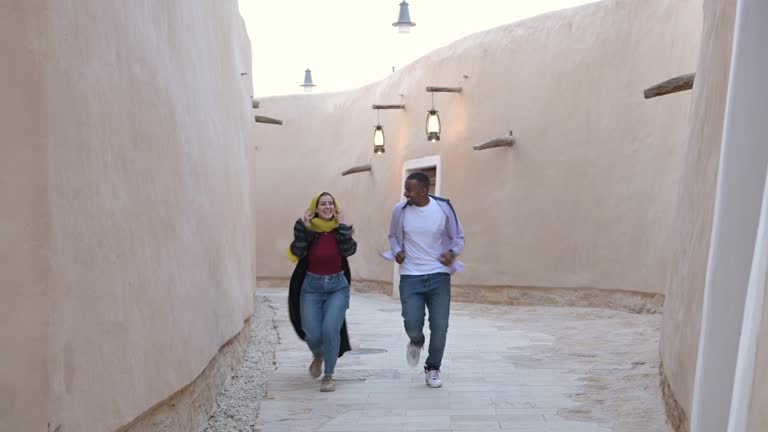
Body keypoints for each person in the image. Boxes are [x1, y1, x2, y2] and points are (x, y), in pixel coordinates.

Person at [386, 171, 464, 388]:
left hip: (438, 275)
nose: (405, 193)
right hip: (411, 275)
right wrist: (397, 250)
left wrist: (452, 253)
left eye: (409, 190)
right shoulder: (399, 211)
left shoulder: (443, 208)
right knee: (412, 322)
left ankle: (432, 368)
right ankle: (416, 341)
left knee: (440, 325)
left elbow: (458, 237)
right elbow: (392, 235)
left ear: (423, 190)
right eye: (405, 189)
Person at [287, 192, 357, 392]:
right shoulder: (308, 231)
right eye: (323, 204)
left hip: (337, 287)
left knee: (330, 329)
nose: (327, 207)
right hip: (311, 287)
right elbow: (297, 251)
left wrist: (343, 227)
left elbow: (349, 250)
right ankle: (318, 354)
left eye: (330, 204)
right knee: (311, 331)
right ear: (315, 209)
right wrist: (304, 228)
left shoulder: (340, 230)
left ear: (335, 208)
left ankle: (328, 376)